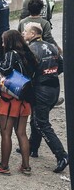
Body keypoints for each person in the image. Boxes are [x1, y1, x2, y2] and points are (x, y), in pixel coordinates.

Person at [0, 30, 36, 175]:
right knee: (22, 133)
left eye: (3, 41)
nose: (2, 44)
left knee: (6, 133)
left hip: (10, 100)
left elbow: (5, 70)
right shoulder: (28, 54)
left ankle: (3, 166)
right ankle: (26, 167)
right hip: (25, 99)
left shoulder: (11, 54)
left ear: (9, 42)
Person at [23, 23, 68, 173]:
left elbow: (28, 71)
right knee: (36, 118)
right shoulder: (52, 46)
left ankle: (62, 155)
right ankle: (32, 148)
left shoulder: (31, 49)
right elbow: (61, 65)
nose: (23, 33)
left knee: (42, 123)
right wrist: (50, 73)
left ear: (34, 34)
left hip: (42, 89)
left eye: (26, 31)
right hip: (54, 87)